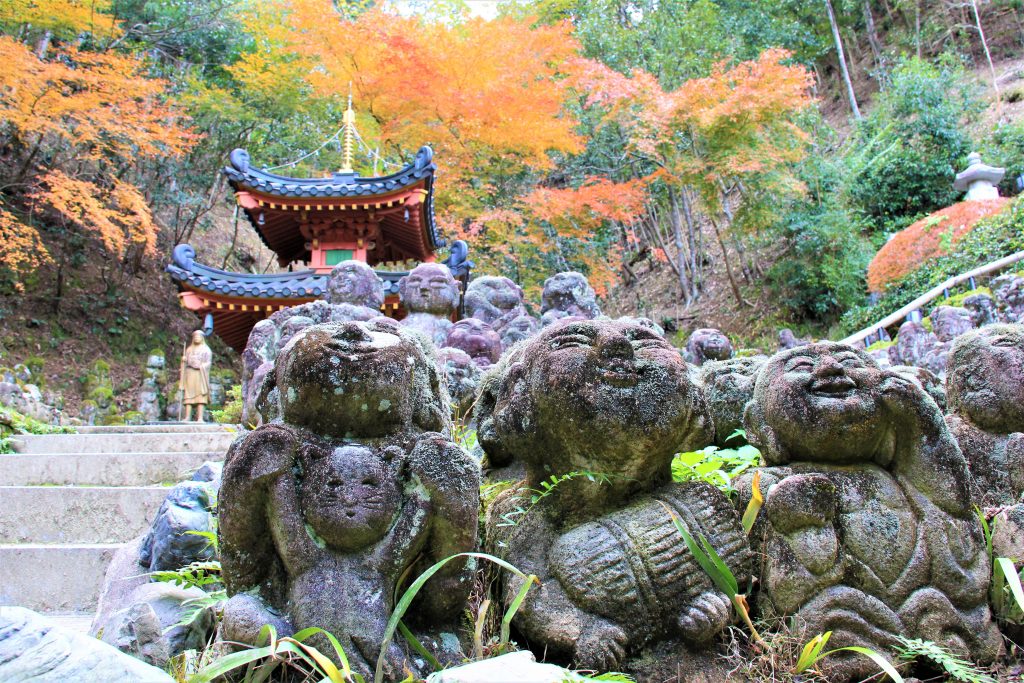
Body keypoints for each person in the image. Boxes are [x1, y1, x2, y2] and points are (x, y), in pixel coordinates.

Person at [180, 330, 212, 421]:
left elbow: (208, 363)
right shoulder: (189, 349)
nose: (197, 338)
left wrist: (202, 366)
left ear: (202, 338)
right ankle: (187, 417)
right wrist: (184, 361)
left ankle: (200, 418)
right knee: (188, 395)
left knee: (200, 395)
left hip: (200, 374)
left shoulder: (206, 349)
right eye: (195, 336)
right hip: (190, 374)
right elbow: (185, 363)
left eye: (199, 336)